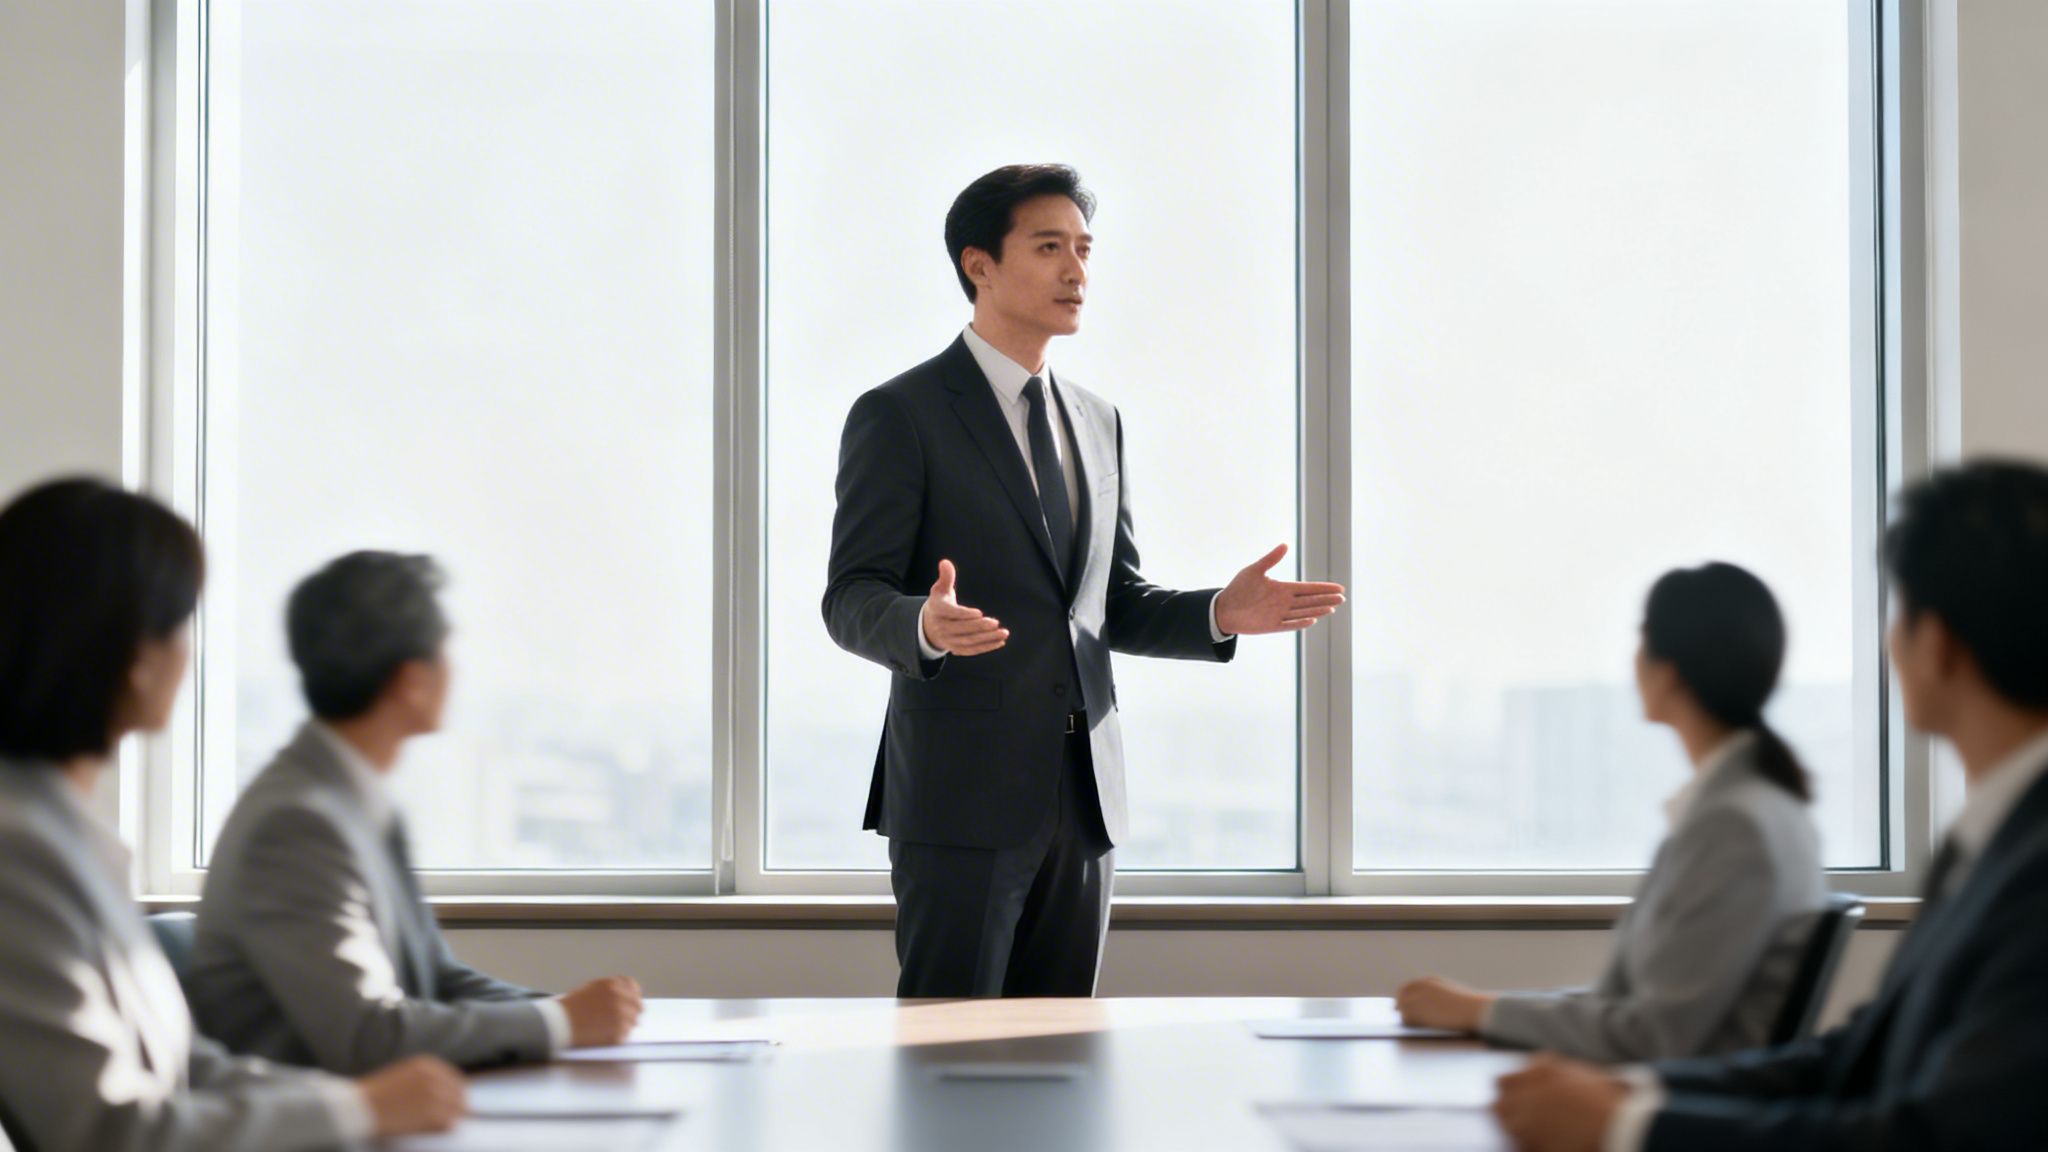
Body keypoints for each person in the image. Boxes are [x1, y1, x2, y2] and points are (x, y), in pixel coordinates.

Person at [824, 163, 1345, 997]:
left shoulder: (1099, 423)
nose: (1077, 271)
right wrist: (923, 623)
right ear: (979, 265)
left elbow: (1113, 606)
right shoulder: (901, 414)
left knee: (1061, 1062)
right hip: (961, 805)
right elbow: (850, 596)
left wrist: (1220, 612)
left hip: (1085, 806)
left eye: (1084, 248)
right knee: (948, 1067)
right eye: (1049, 246)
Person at [1492, 460, 2048, 1152]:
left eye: (1896, 611)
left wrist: (1629, 1126)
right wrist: (1637, 1095)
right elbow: (1854, 1060)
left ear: (1935, 644)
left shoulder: (2027, 864)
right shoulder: (1988, 841)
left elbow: (1933, 1139)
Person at [0, 478, 464, 1151]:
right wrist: (358, 1110)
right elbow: (106, 1132)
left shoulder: (72, 839)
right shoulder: (20, 854)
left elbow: (192, 1067)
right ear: (135, 656)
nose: (190, 654)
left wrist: (358, 1102)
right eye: (180, 625)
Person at [188, 551, 643, 1073]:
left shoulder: (353, 800)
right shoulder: (295, 826)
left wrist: (564, 1013)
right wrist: (561, 1022)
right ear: (413, 680)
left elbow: (436, 977)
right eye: (445, 650)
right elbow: (368, 1035)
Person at [1396, 563, 1827, 1061]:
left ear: (1669, 672)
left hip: (1675, 1114)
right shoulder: (1758, 807)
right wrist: (1480, 1007)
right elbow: (1625, 1005)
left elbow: (1651, 1035)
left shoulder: (1734, 825)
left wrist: (1478, 1011)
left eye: (1641, 642)